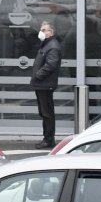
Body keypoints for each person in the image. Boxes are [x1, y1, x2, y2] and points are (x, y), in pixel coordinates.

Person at [31, 20, 61, 149]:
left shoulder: (52, 46)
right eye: (40, 29)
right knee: (45, 113)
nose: (41, 32)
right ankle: (47, 138)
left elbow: (51, 65)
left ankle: (48, 140)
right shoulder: (47, 44)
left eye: (44, 30)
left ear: (51, 32)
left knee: (47, 113)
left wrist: (38, 75)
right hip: (42, 84)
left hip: (45, 84)